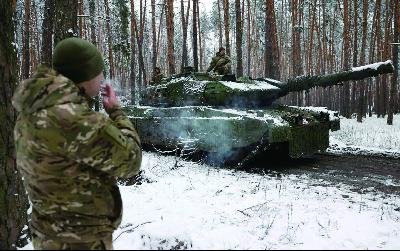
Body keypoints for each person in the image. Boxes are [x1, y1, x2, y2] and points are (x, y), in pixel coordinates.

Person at [12, 37, 142, 250]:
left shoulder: (32, 111)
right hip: (81, 240)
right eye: (98, 72)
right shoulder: (76, 121)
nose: (102, 77)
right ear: (84, 77)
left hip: (47, 235)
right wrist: (117, 112)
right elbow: (131, 161)